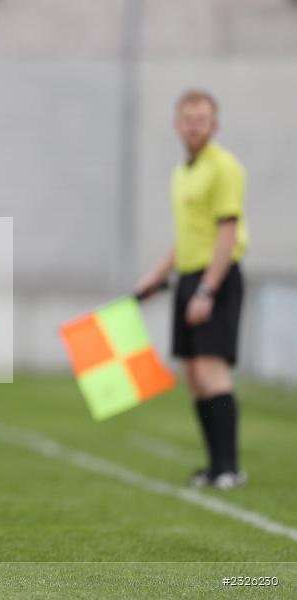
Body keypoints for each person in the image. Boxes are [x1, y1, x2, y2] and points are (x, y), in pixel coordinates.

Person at [137, 90, 248, 490]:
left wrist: (207, 289)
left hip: (214, 277)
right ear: (177, 123)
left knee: (212, 370)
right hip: (188, 278)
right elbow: (185, 237)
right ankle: (214, 465)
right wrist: (156, 275)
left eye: (202, 118)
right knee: (194, 376)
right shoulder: (184, 172)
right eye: (188, 118)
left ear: (214, 124)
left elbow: (227, 232)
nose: (194, 124)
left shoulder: (224, 167)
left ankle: (229, 467)